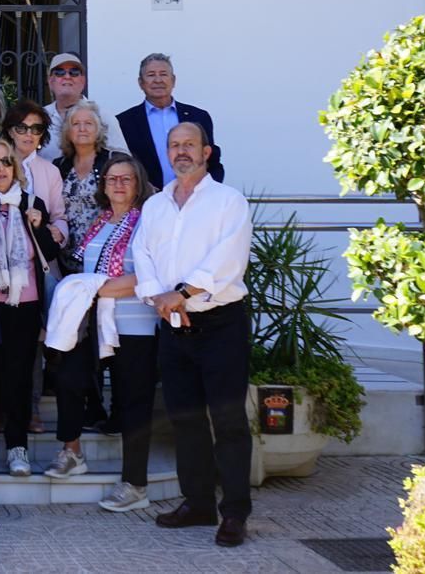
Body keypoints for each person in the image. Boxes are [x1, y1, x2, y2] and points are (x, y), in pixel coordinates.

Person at [134, 123, 254, 548]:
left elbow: (228, 259)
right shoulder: (156, 205)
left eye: (189, 144)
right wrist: (160, 298)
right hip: (173, 326)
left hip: (220, 324)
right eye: (174, 145)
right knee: (185, 419)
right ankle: (198, 503)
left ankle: (235, 513)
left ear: (207, 151)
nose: (181, 151)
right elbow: (142, 254)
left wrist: (180, 293)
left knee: (228, 420)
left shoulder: (228, 201)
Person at [43, 155, 159, 514]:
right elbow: (87, 269)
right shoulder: (101, 222)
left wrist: (92, 289)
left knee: (133, 401)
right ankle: (72, 451)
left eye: (126, 179)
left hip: (135, 325)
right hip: (93, 321)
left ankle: (135, 482)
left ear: (138, 183)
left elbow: (146, 277)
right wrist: (89, 291)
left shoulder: (149, 223)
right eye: (112, 180)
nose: (119, 185)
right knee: (69, 378)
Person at [0, 135, 65, 477]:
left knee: (19, 377)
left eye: (6, 162)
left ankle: (17, 447)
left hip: (24, 305)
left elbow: (49, 255)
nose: (1, 169)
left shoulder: (31, 201)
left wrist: (39, 225)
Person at [115, 53, 225, 189]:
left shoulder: (198, 117)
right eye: (150, 75)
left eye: (163, 74)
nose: (158, 80)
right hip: (145, 202)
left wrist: (205, 191)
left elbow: (212, 161)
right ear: (140, 83)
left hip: (195, 199)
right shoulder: (124, 122)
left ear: (173, 80)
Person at [56, 100, 129, 259]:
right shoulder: (60, 166)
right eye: (76, 124)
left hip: (107, 258)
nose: (82, 129)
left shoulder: (114, 161)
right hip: (65, 260)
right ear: (68, 132)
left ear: (98, 130)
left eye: (88, 123)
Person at [38, 53, 124, 162]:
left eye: (74, 72)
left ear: (83, 81)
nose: (67, 76)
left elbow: (122, 158)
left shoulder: (102, 116)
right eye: (59, 72)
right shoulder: (40, 117)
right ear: (50, 82)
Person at [3, 100, 66, 231]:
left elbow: (58, 217)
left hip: (37, 243)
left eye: (36, 129)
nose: (29, 134)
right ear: (10, 132)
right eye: (21, 128)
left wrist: (58, 233)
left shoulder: (51, 171)